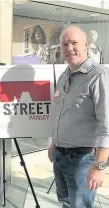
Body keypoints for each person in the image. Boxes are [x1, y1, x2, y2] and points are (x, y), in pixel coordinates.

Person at [48, 26, 109, 208]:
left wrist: (99, 166)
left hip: (82, 159)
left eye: (74, 43)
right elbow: (61, 114)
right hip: (60, 155)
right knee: (66, 203)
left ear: (86, 45)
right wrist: (54, 144)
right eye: (64, 44)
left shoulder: (99, 76)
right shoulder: (64, 75)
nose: (69, 48)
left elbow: (106, 124)